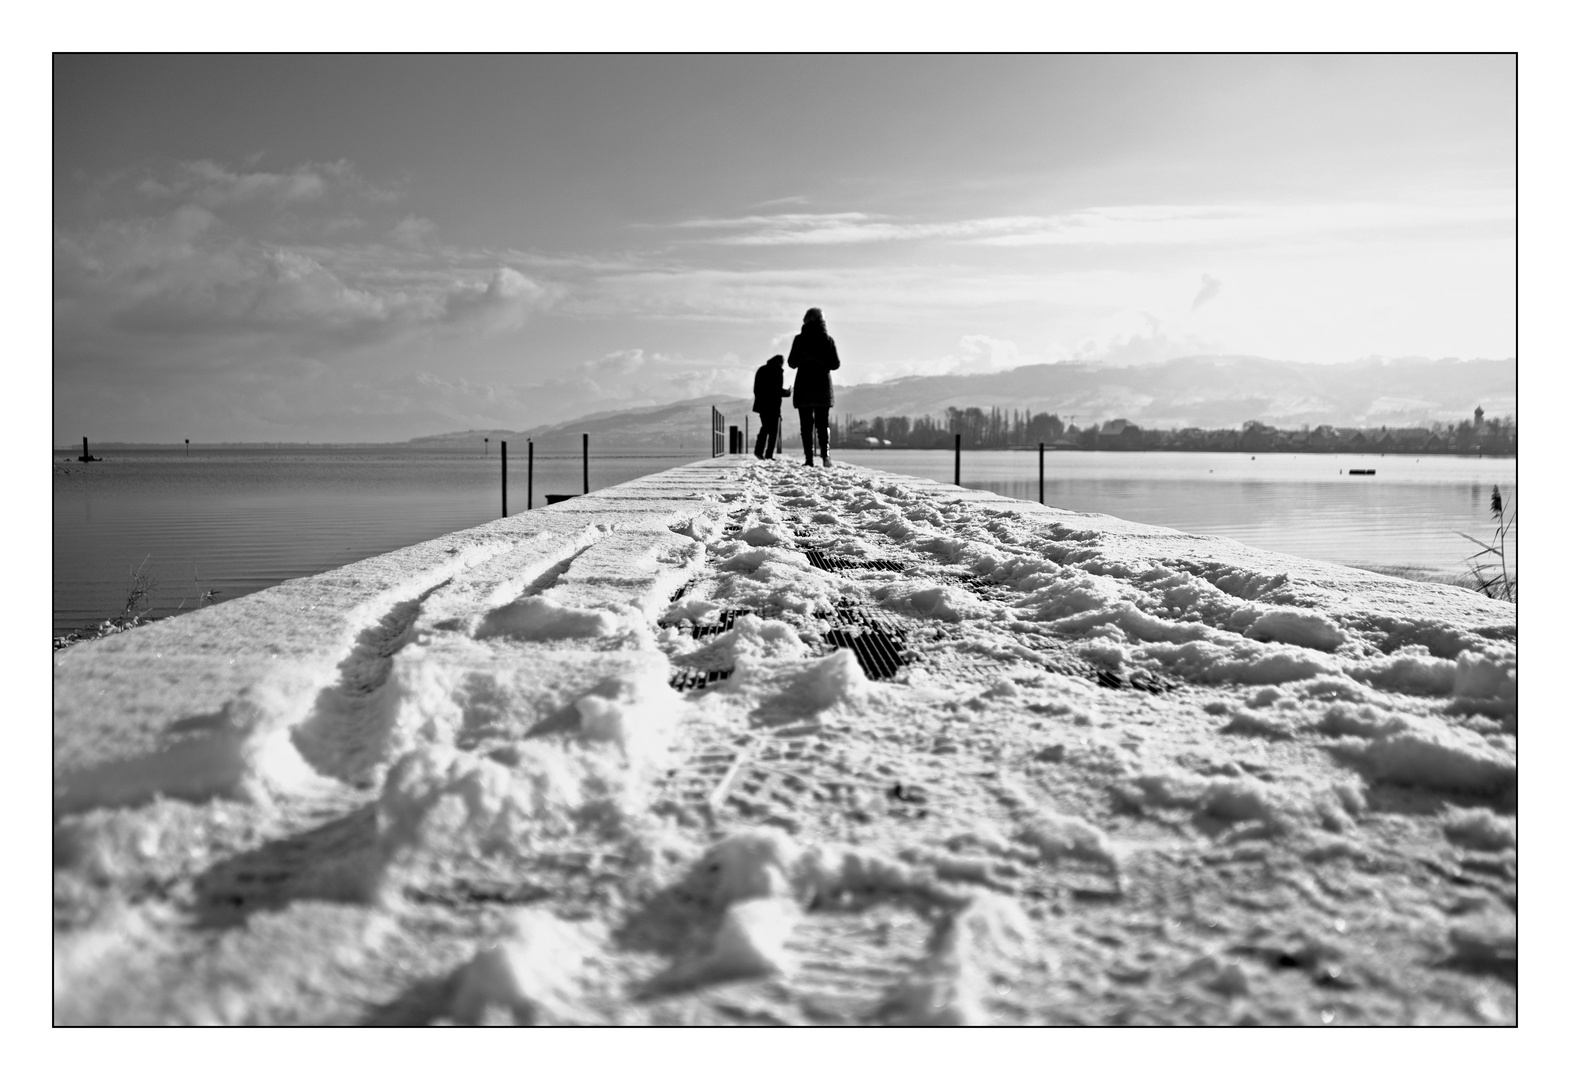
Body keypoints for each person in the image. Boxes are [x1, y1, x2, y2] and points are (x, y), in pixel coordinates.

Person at [786, 307, 840, 466]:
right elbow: (835, 364)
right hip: (822, 387)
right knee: (823, 424)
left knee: (806, 425)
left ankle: (809, 459)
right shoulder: (828, 340)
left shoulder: (799, 340)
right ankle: (826, 456)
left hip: (804, 386)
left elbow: (791, 363)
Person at [751, 354, 789, 459]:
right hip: (774, 405)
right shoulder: (777, 371)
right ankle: (769, 454)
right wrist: (787, 392)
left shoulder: (761, 370)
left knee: (765, 428)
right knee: (773, 432)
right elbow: (776, 390)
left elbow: (757, 389)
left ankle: (758, 451)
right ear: (780, 362)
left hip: (762, 405)